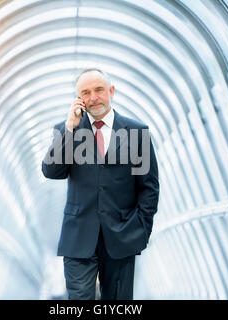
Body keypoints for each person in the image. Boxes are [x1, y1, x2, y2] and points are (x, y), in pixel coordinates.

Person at [41, 68, 159, 300]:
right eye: (85, 93)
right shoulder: (68, 130)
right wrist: (70, 129)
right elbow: (51, 171)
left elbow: (149, 187)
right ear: (78, 99)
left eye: (98, 90)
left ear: (111, 91)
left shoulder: (137, 133)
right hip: (78, 237)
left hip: (122, 236)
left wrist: (141, 229)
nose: (93, 97)